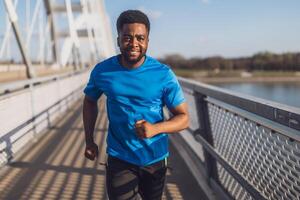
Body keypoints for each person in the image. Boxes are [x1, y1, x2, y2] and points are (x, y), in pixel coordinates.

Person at [82, 10, 189, 200]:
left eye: (140, 38)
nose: (134, 44)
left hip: (155, 159)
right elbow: (90, 100)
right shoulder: (102, 71)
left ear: (148, 41)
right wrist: (89, 140)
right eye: (127, 37)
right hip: (119, 157)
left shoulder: (163, 74)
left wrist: (155, 129)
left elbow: (183, 118)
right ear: (118, 40)